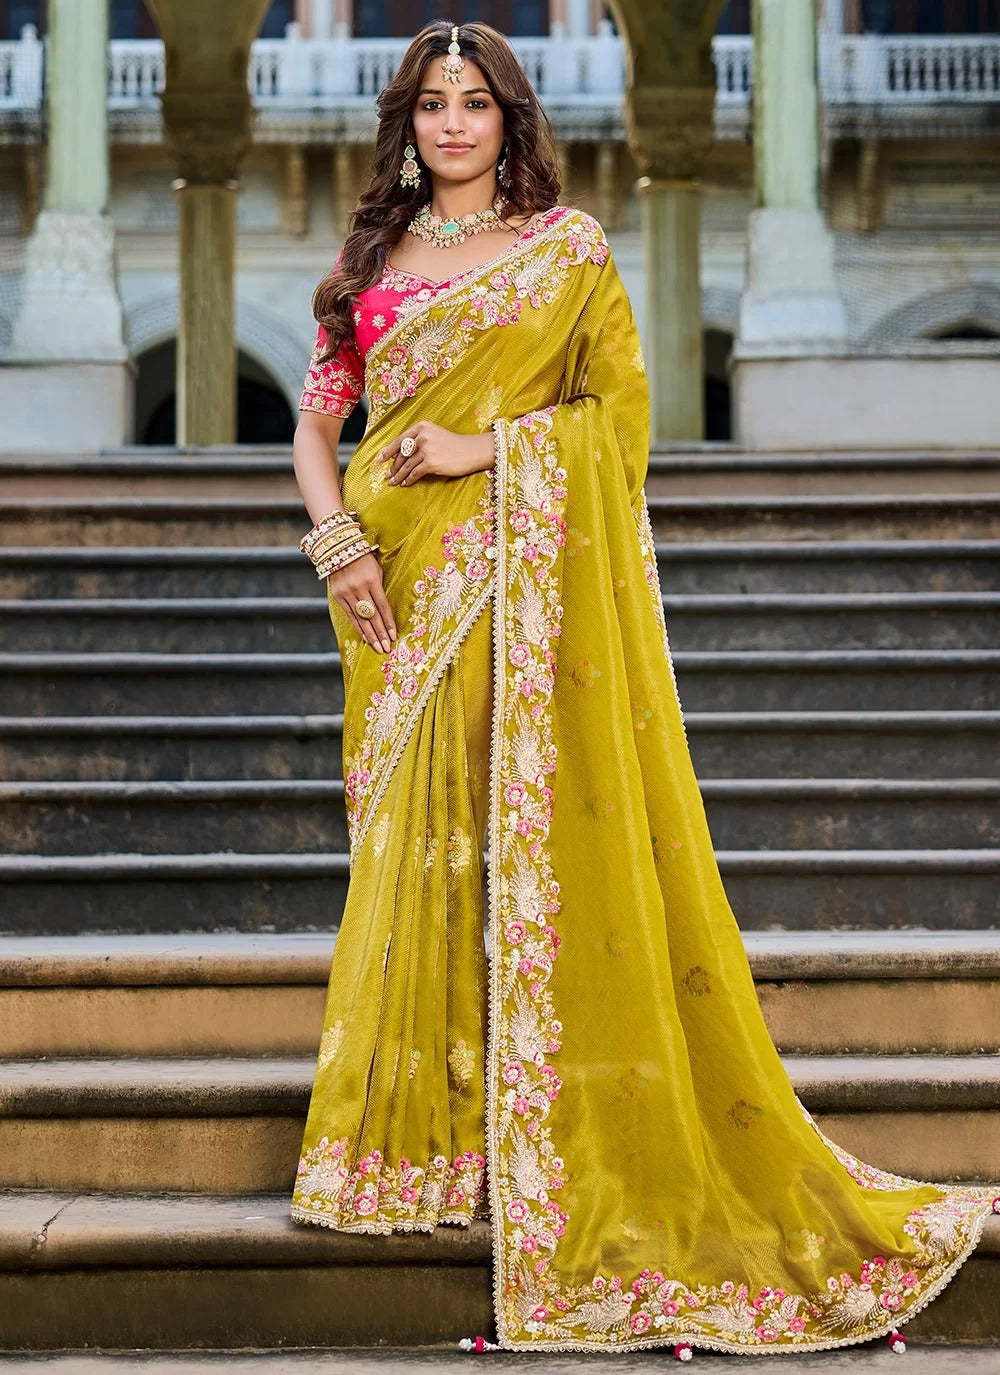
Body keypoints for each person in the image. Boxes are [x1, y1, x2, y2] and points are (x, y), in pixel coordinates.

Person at [288, 18, 998, 1357]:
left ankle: (540, 1138)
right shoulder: (367, 262)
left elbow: (622, 422)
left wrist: (486, 443)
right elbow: (319, 424)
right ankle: (413, 1148)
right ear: (408, 120)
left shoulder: (568, 254)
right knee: (406, 843)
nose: (451, 124)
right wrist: (335, 542)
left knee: (515, 836)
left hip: (510, 561)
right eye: (432, 103)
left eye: (475, 102)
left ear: (510, 120)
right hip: (383, 581)